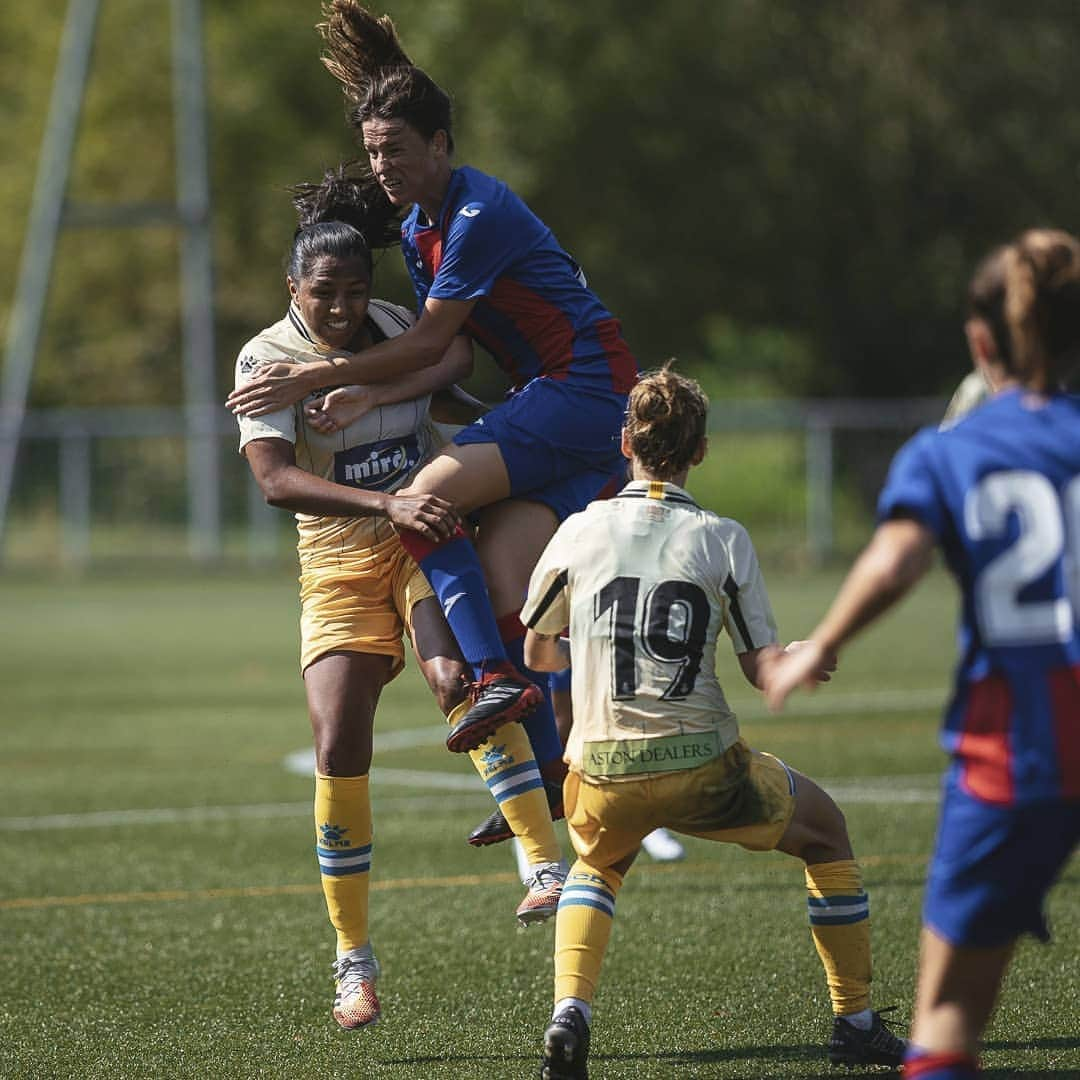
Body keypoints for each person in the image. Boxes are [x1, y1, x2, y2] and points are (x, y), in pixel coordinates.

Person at [225, 7, 639, 914]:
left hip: (582, 390)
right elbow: (433, 358)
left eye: (397, 151)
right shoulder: (417, 227)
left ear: (442, 144)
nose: (383, 168)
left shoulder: (477, 212)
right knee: (506, 584)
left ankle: (496, 692)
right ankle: (552, 769)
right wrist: (367, 390)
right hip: (560, 404)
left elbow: (435, 346)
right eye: (372, 154)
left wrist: (326, 381)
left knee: (421, 498)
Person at [233, 165, 571, 1032]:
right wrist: (386, 497)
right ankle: (353, 961)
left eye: (354, 290)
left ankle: (542, 863)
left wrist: (475, 409)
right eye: (324, 293)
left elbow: (449, 351)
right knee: (339, 741)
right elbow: (275, 481)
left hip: (418, 544)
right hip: (341, 564)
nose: (343, 308)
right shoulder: (267, 359)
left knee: (459, 677)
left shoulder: (388, 327)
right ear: (292, 288)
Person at [520, 366, 906, 1079]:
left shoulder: (578, 530)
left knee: (599, 863)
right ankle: (855, 1023)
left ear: (625, 441)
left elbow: (538, 649)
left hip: (601, 765)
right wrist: (795, 657)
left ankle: (569, 1014)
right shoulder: (721, 537)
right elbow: (764, 672)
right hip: (704, 766)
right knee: (827, 833)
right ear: (701, 452)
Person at [762, 228, 1080, 1080]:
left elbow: (897, 556)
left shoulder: (954, 450)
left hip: (1015, 752)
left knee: (946, 1018)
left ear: (981, 345)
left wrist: (819, 643)